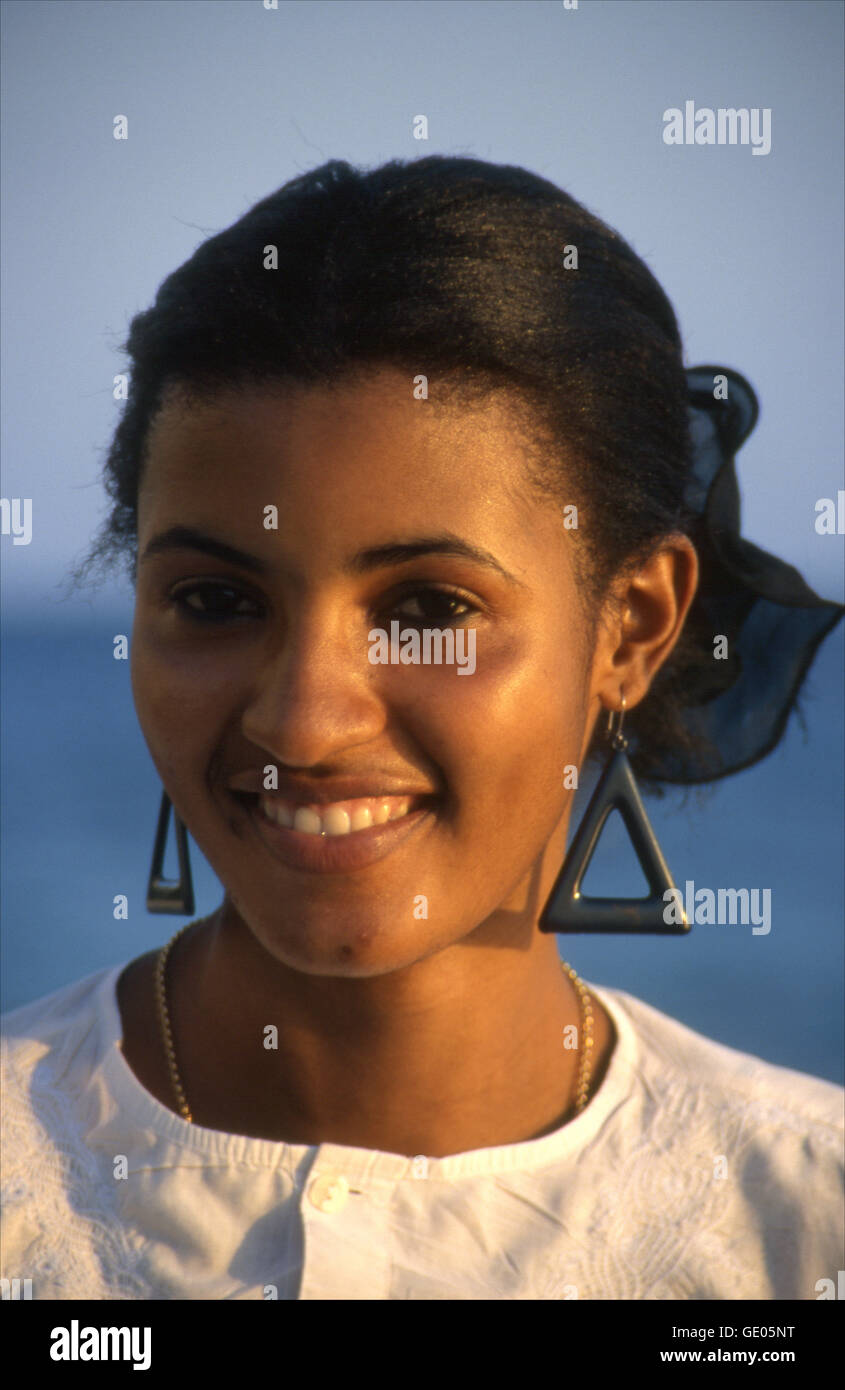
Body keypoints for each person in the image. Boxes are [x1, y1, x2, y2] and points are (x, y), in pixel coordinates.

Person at [2, 156, 842, 1302]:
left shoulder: (801, 1224)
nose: (301, 718)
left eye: (428, 610)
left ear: (632, 629)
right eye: (215, 601)